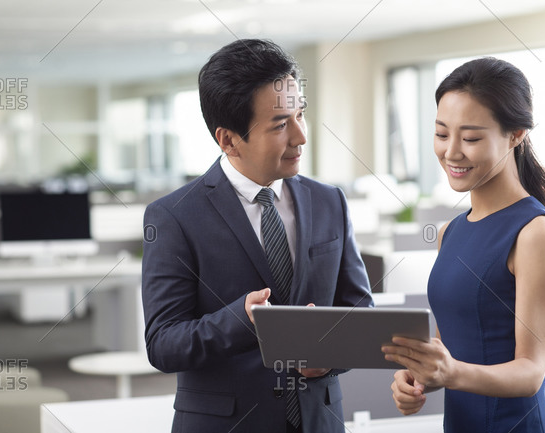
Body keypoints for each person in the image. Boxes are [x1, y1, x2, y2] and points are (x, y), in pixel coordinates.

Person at [141, 39, 373, 433]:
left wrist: (329, 356)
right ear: (228, 139)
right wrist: (242, 320)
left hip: (319, 421)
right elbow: (163, 343)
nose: (300, 136)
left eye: (300, 115)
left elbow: (360, 314)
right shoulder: (173, 216)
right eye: (281, 124)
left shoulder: (329, 201)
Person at [382, 57, 545, 432]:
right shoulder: (451, 232)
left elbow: (530, 371)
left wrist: (452, 372)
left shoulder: (535, 230)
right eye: (442, 134)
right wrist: (418, 379)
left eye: (471, 138)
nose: (452, 152)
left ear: (516, 134)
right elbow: (451, 350)